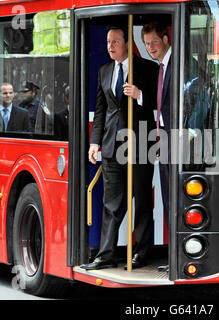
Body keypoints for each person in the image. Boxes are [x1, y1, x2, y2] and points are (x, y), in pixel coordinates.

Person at [81, 26, 158, 270]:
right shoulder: (104, 70)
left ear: (126, 43)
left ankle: (141, 253)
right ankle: (105, 255)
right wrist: (95, 143)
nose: (110, 46)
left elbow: (162, 102)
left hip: (141, 143)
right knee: (110, 203)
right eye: (108, 42)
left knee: (143, 200)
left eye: (115, 41)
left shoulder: (147, 68)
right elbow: (102, 109)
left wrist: (140, 95)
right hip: (112, 146)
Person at [141, 21, 171, 272]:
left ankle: (178, 256)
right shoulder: (159, 67)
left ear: (166, 38)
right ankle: (175, 256)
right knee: (168, 198)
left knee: (174, 198)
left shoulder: (178, 64)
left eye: (155, 42)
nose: (151, 47)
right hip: (163, 139)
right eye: (147, 43)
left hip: (178, 140)